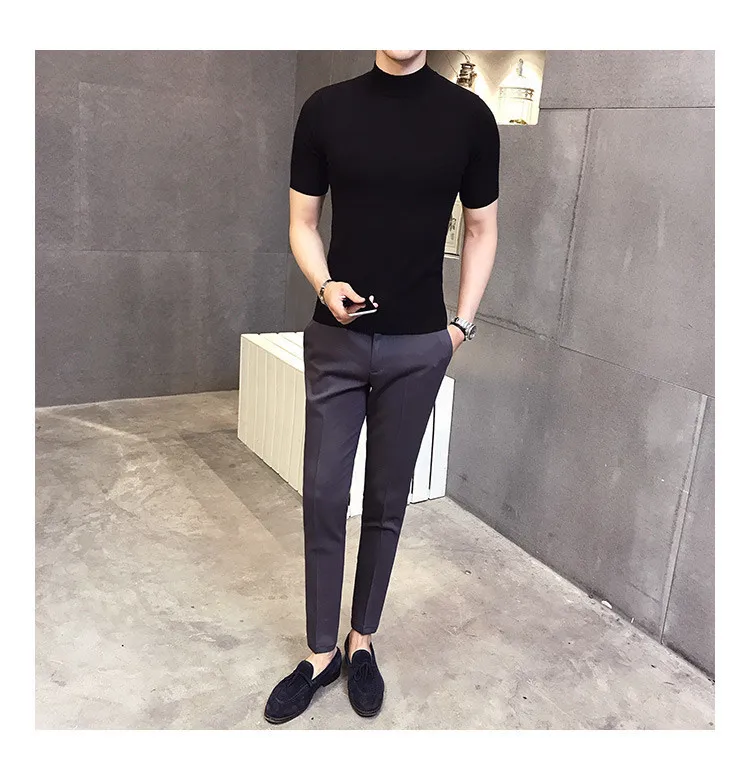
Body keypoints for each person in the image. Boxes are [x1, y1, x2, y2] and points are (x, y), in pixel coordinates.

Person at [264, 49, 499, 725]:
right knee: (322, 495)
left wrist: (459, 327)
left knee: (388, 498)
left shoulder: (468, 117)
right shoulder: (326, 110)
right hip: (336, 342)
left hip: (420, 346)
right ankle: (320, 654)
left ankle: (360, 640)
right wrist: (324, 285)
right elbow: (302, 222)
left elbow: (482, 228)